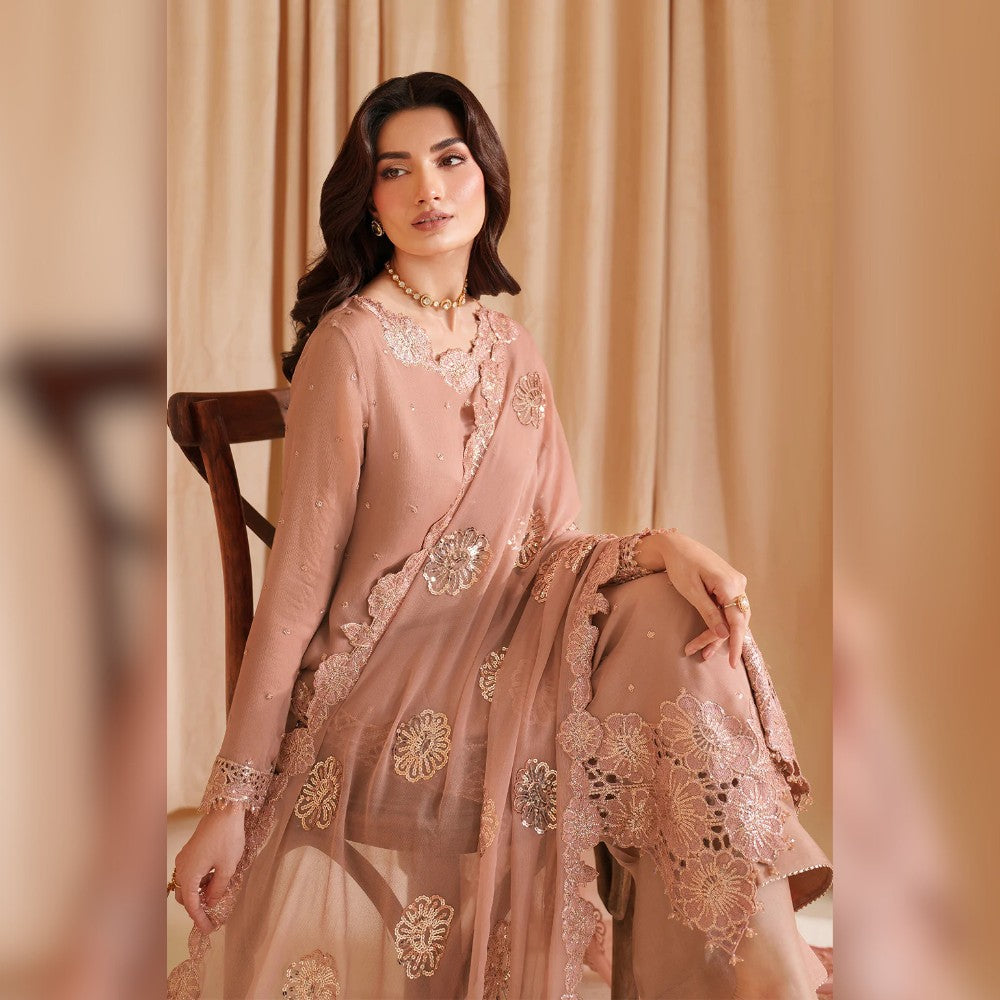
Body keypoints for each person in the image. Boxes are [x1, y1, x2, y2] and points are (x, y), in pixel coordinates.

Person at [167, 71, 831, 999]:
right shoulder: (347, 347)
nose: (428, 189)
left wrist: (666, 546)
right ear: (370, 203)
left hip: (517, 644)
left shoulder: (511, 345)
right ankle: (760, 970)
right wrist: (231, 799)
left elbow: (560, 559)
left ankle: (745, 963)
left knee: (671, 626)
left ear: (487, 177)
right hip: (392, 680)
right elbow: (295, 598)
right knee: (666, 653)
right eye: (395, 171)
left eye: (448, 159)